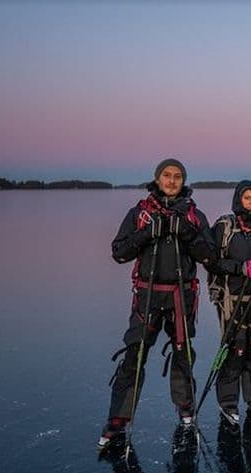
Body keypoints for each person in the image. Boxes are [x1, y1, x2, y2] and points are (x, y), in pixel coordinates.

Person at [98, 158, 215, 449]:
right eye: (167, 175)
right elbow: (119, 252)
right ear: (157, 178)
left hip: (181, 294)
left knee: (183, 352)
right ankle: (118, 419)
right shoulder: (140, 213)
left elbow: (210, 257)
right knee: (134, 355)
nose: (172, 181)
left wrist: (186, 233)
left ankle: (185, 407)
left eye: (177, 176)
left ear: (183, 181)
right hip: (147, 295)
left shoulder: (194, 215)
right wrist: (147, 233)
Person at [206, 180, 251, 423]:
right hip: (230, 297)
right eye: (247, 198)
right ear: (239, 199)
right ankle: (228, 401)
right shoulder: (224, 226)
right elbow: (211, 260)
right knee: (235, 348)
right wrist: (241, 268)